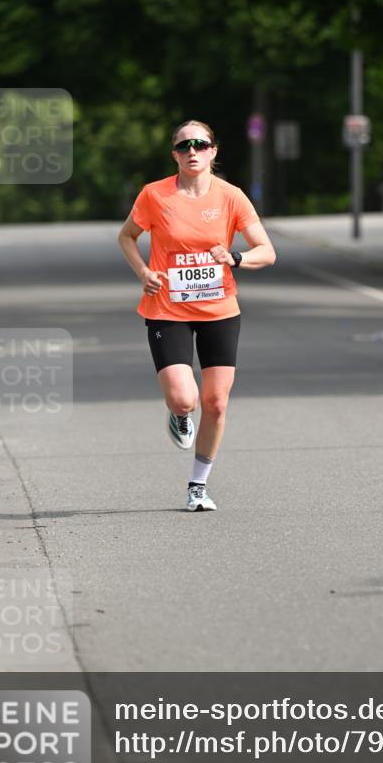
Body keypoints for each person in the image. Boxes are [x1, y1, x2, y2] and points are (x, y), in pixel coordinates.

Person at [118, 119, 276, 512]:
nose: (193, 151)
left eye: (200, 144)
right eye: (184, 145)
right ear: (175, 153)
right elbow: (126, 236)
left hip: (220, 309)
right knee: (184, 398)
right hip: (166, 308)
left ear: (213, 151)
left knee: (217, 403)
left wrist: (235, 257)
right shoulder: (155, 196)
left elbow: (266, 251)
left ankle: (197, 486)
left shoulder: (231, 197)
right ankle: (179, 414)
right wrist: (144, 272)